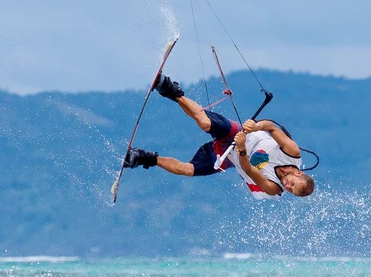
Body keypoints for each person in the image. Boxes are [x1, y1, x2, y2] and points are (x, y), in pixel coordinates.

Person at [123, 74, 315, 199]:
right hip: (242, 134)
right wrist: (256, 126)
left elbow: (248, 169)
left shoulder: (274, 188)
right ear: (299, 173)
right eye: (292, 184)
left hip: (233, 156)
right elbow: (271, 127)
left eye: (290, 190)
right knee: (205, 123)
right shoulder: (292, 152)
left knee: (187, 170)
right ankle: (170, 89)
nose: (288, 187)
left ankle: (144, 157)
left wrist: (241, 150)